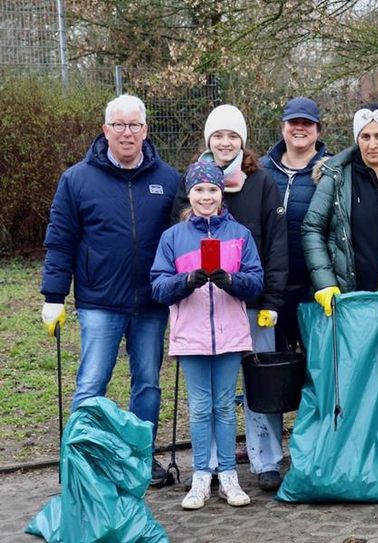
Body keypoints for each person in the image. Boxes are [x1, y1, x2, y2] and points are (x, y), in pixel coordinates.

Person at [40, 94, 180, 487]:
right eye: (118, 125)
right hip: (100, 301)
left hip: (152, 302)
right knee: (91, 383)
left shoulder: (168, 180)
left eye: (134, 125)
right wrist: (53, 296)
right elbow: (60, 240)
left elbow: (183, 238)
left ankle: (141, 458)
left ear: (146, 130)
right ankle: (83, 462)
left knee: (148, 383)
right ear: (105, 130)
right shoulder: (77, 179)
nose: (127, 133)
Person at [173, 104, 289, 491]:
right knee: (212, 394)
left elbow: (276, 245)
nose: (226, 142)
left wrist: (272, 301)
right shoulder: (189, 183)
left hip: (253, 303)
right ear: (208, 139)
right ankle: (208, 465)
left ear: (243, 140)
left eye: (233, 135)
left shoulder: (262, 182)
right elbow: (177, 244)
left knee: (259, 383)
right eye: (218, 135)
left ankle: (266, 458)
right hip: (203, 309)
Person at [152, 160, 263, 510]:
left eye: (212, 189)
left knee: (225, 408)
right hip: (192, 336)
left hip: (229, 335)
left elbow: (256, 280)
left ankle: (228, 474)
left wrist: (232, 281)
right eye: (199, 189)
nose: (206, 196)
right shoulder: (173, 237)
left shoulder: (239, 235)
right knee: (200, 408)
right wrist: (185, 283)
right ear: (189, 193)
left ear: (222, 192)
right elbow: (157, 285)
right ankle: (201, 475)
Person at [301, 104, 378, 312]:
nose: (372, 145)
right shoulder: (337, 177)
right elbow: (312, 228)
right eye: (365, 137)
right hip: (348, 299)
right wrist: (325, 282)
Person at [259, 97, 331, 352]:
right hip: (271, 288)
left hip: (312, 287)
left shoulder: (331, 171)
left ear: (318, 130)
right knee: (274, 363)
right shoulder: (260, 169)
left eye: (307, 123)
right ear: (282, 128)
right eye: (293, 122)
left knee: (314, 364)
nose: (299, 128)